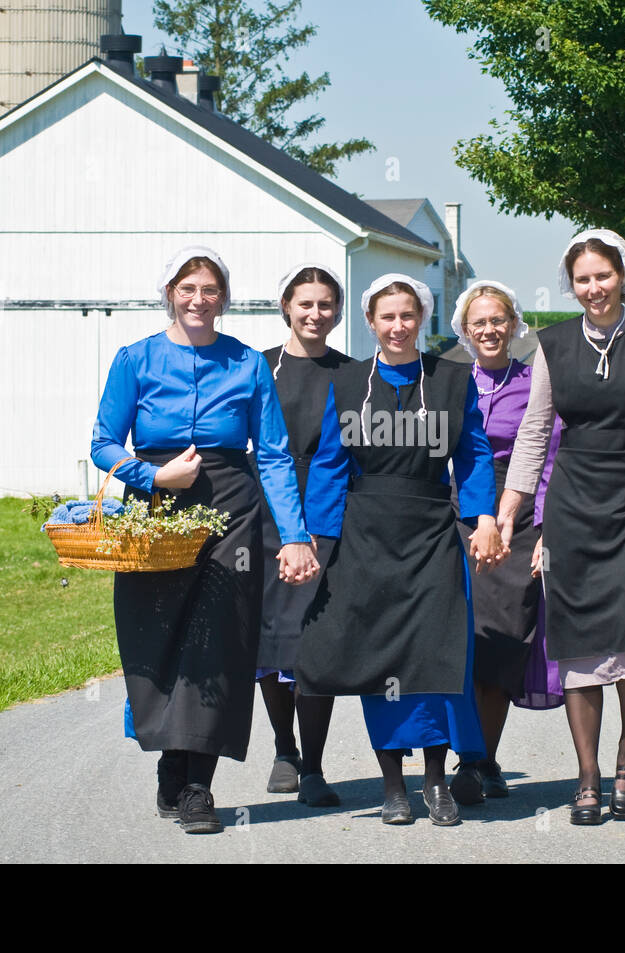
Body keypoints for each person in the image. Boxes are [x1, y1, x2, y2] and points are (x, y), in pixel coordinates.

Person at [91, 246, 319, 835]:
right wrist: (152, 475)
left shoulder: (246, 364)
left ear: (224, 297)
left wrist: (293, 536)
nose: (199, 299)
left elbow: (271, 455)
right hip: (155, 503)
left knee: (220, 644)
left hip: (231, 506)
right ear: (169, 291)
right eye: (188, 288)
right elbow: (103, 443)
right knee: (157, 635)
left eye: (210, 289)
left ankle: (198, 787)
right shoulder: (134, 359)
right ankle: (171, 761)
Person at [497, 229, 625, 824]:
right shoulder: (552, 344)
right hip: (574, 508)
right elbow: (534, 434)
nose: (592, 289)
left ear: (623, 276)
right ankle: (587, 775)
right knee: (578, 643)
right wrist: (512, 510)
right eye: (582, 279)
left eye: (602, 276)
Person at [296, 273, 505, 826]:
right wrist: (318, 539)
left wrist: (483, 519)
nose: (397, 326)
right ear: (371, 322)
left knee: (435, 656)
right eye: (386, 317)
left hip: (433, 532)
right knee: (378, 658)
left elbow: (475, 453)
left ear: (423, 319)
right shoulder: (346, 383)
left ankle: (436, 783)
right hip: (365, 536)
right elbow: (328, 465)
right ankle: (393, 786)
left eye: (407, 315)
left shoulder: (453, 380)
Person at [445, 280, 563, 804]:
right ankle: (465, 754)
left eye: (499, 320)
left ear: (514, 325)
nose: (489, 330)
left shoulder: (538, 381)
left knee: (502, 638)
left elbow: (554, 456)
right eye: (479, 323)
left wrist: (548, 527)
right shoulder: (448, 381)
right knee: (460, 640)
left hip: (523, 514)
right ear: (464, 331)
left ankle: (481, 759)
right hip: (457, 513)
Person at [255, 263, 352, 807]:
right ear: (286, 306)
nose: (316, 314)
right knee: (273, 637)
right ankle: (283, 748)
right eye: (306, 304)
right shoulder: (259, 367)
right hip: (263, 515)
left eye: (326, 305)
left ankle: (313, 765)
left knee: (315, 639)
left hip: (329, 515)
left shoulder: (353, 372)